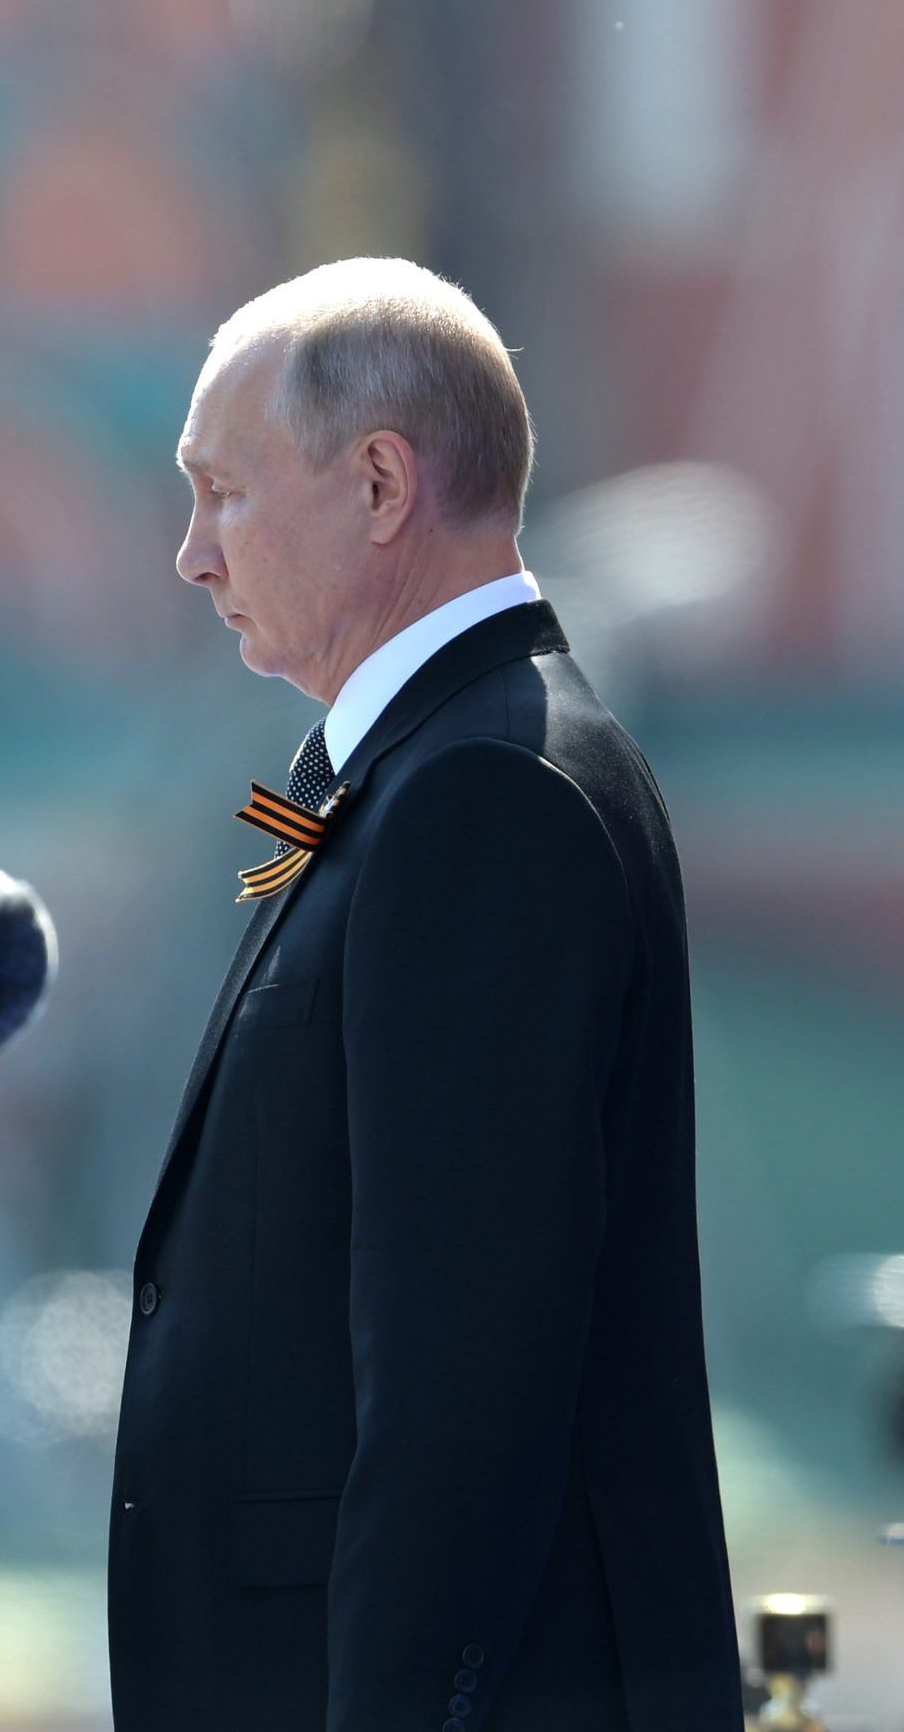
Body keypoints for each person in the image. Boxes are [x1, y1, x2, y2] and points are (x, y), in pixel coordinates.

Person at [109, 257, 739, 1730]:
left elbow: (467, 1377)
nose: (192, 555)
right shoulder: (441, 766)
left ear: (382, 484)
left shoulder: (482, 794)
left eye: (226, 493)